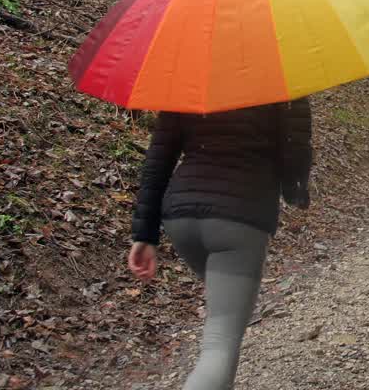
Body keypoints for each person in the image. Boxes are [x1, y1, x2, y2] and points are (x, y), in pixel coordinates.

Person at [126, 99, 313, 390]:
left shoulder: (187, 76)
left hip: (181, 216)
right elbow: (295, 149)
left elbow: (158, 160)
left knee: (222, 323)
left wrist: (144, 235)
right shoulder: (280, 78)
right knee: (220, 342)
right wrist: (294, 187)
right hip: (239, 218)